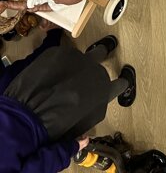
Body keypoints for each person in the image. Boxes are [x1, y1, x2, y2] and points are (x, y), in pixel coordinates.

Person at [1, 33, 135, 173]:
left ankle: (125, 83)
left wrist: (70, 148)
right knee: (67, 69)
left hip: (43, 125)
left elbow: (38, 167)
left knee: (90, 100)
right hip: (16, 95)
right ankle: (102, 49)